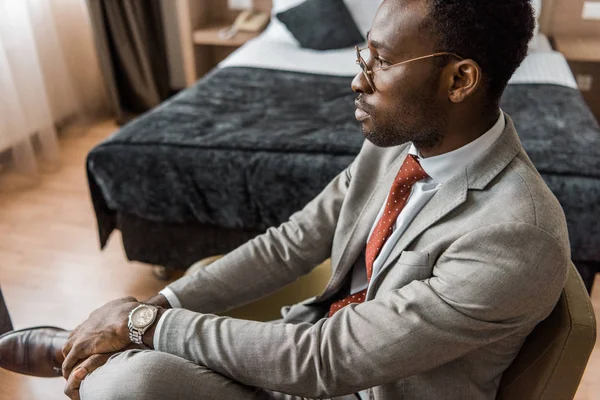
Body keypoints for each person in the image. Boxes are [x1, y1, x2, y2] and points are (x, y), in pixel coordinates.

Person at [0, 0, 570, 399]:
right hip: (306, 347)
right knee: (122, 375)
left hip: (353, 382)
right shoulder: (399, 146)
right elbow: (290, 245)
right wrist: (165, 303)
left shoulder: (516, 233)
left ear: (460, 80)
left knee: (120, 383)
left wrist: (143, 321)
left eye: (382, 61)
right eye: (361, 55)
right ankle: (93, 346)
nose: (358, 80)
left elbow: (329, 360)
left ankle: (93, 351)